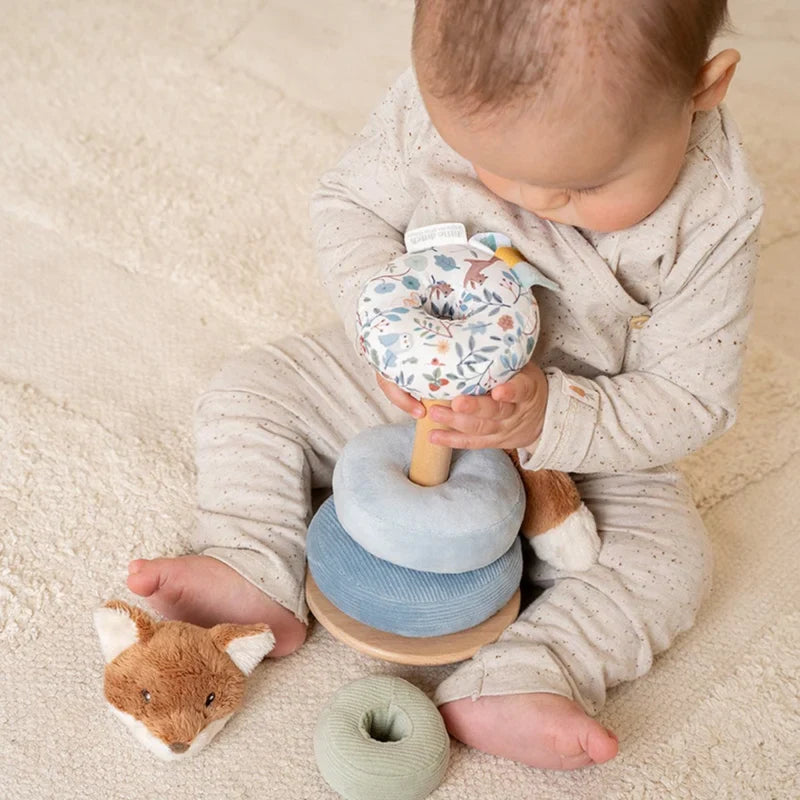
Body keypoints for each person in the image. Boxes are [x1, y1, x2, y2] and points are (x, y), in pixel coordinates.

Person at [127, 0, 763, 770]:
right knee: (250, 390)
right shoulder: (436, 107)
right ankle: (250, 559)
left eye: (581, 188)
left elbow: (691, 397)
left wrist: (550, 418)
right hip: (414, 377)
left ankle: (525, 674)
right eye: (491, 167)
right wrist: (386, 340)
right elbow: (351, 206)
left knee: (672, 561)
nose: (530, 203)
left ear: (703, 86)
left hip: (587, 419)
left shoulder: (713, 211)